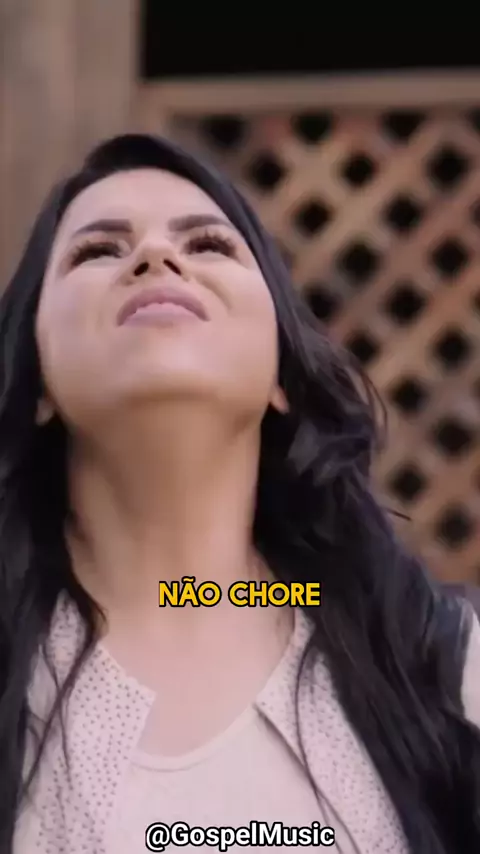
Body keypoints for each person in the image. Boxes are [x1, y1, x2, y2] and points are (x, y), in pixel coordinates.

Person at [1, 133, 479, 854]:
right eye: (98, 251)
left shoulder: (441, 666)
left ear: (282, 376)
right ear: (36, 378)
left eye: (208, 245)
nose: (155, 257)